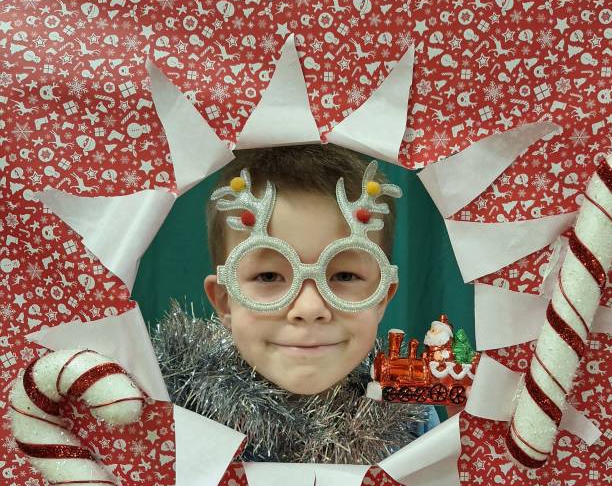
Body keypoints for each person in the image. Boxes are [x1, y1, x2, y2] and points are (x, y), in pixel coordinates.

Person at [149, 143, 441, 464]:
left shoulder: (412, 420)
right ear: (225, 300)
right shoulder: (173, 421)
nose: (309, 309)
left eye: (344, 276)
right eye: (269, 276)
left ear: (381, 297)